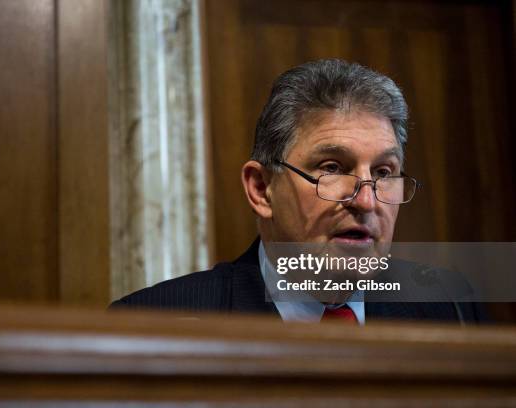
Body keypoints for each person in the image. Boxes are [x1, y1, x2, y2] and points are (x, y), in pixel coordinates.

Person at [111, 59, 484, 324]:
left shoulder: (451, 307)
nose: (367, 201)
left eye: (384, 172)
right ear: (261, 189)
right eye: (332, 168)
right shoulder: (155, 320)